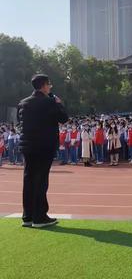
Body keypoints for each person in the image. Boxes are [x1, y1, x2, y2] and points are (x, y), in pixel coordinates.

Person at [17, 74, 68, 228]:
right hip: (44, 146)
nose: (50, 87)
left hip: (27, 146)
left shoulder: (23, 103)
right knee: (40, 180)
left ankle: (28, 216)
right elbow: (63, 118)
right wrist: (58, 103)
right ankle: (40, 217)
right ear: (44, 85)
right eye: (49, 84)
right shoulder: (49, 102)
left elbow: (20, 123)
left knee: (29, 178)